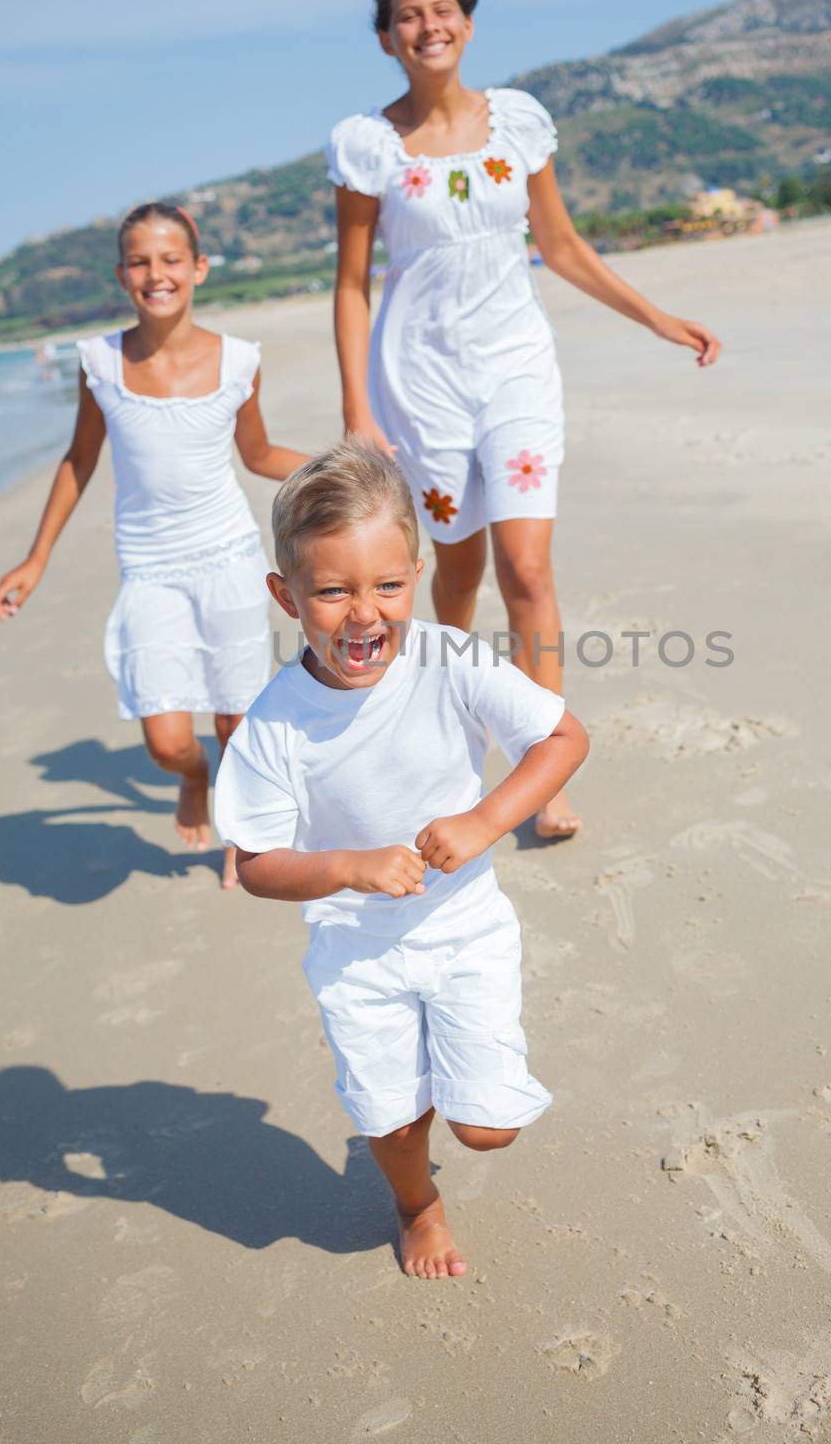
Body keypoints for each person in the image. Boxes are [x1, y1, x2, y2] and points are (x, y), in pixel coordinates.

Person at [327, 0, 721, 839]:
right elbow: (351, 285)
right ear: (387, 39)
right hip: (419, 386)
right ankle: (451, 713)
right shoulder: (368, 146)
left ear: (466, 20)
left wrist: (655, 318)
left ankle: (541, 770)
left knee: (528, 570)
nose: (428, 27)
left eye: (441, 10)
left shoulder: (520, 123)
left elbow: (563, 246)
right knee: (456, 574)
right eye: (407, 17)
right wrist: (358, 410)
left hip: (516, 372)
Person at [214, 439, 589, 1278]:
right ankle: (417, 1205)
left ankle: (452, 1099)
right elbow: (259, 864)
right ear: (286, 595)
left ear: (417, 573)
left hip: (464, 928)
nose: (364, 614)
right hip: (356, 951)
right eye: (333, 591)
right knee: (391, 1118)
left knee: (487, 1128)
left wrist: (486, 819)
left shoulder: (448, 662)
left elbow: (563, 737)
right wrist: (348, 867)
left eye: (386, 585)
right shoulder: (274, 722)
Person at [0, 203, 310, 888]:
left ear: (197, 268)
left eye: (170, 260)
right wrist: (36, 558)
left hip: (228, 557)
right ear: (121, 275)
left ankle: (239, 831)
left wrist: (341, 463)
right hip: (150, 569)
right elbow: (79, 461)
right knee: (168, 742)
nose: (155, 274)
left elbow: (256, 454)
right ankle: (191, 779)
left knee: (233, 721)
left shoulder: (239, 361)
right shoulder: (99, 361)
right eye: (139, 261)